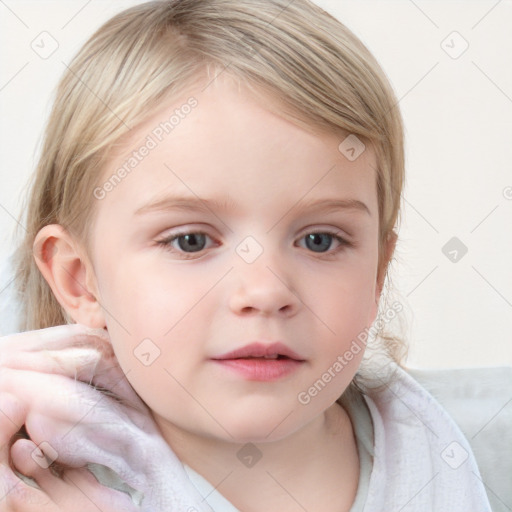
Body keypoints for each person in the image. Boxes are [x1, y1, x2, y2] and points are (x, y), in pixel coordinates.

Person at [0, 0, 492, 510]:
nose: (265, 290)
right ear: (81, 281)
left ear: (376, 276)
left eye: (320, 240)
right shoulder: (41, 474)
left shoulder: (424, 446)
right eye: (190, 240)